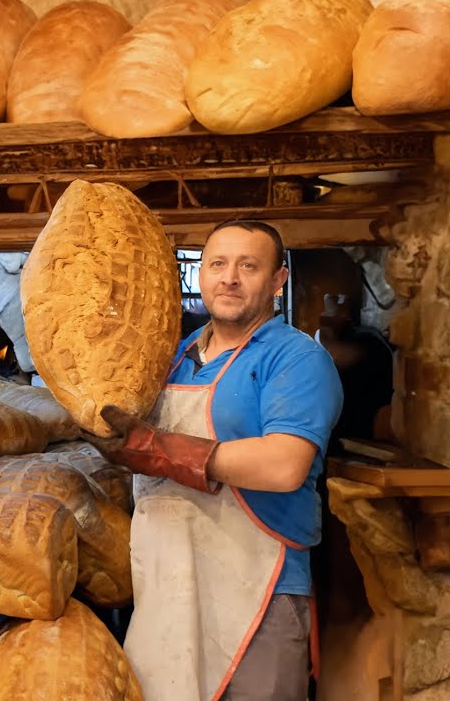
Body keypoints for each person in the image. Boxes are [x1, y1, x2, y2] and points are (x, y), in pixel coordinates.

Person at [99, 220, 342, 701]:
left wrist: (157, 449)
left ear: (278, 281)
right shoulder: (173, 356)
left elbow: (284, 465)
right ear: (201, 276)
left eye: (248, 266)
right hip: (166, 583)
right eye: (217, 264)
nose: (229, 278)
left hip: (258, 589)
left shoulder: (295, 359)